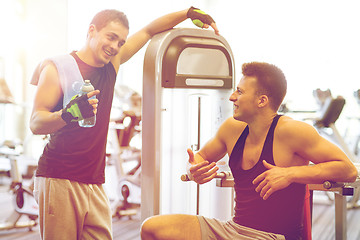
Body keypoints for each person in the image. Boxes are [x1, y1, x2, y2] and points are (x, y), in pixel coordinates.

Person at [29, 6, 218, 240]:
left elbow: (149, 30)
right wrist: (68, 114)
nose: (115, 46)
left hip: (94, 181)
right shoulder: (58, 68)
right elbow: (36, 122)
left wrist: (189, 13)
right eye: (111, 37)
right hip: (59, 177)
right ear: (92, 31)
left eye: (121, 42)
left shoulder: (112, 64)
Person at [140, 62, 358, 240]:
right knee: (152, 228)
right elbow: (201, 157)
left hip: (273, 236)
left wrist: (291, 174)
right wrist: (193, 168)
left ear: (262, 100)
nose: (232, 97)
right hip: (232, 230)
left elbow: (348, 170)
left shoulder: (292, 131)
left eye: (240, 92)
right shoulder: (232, 129)